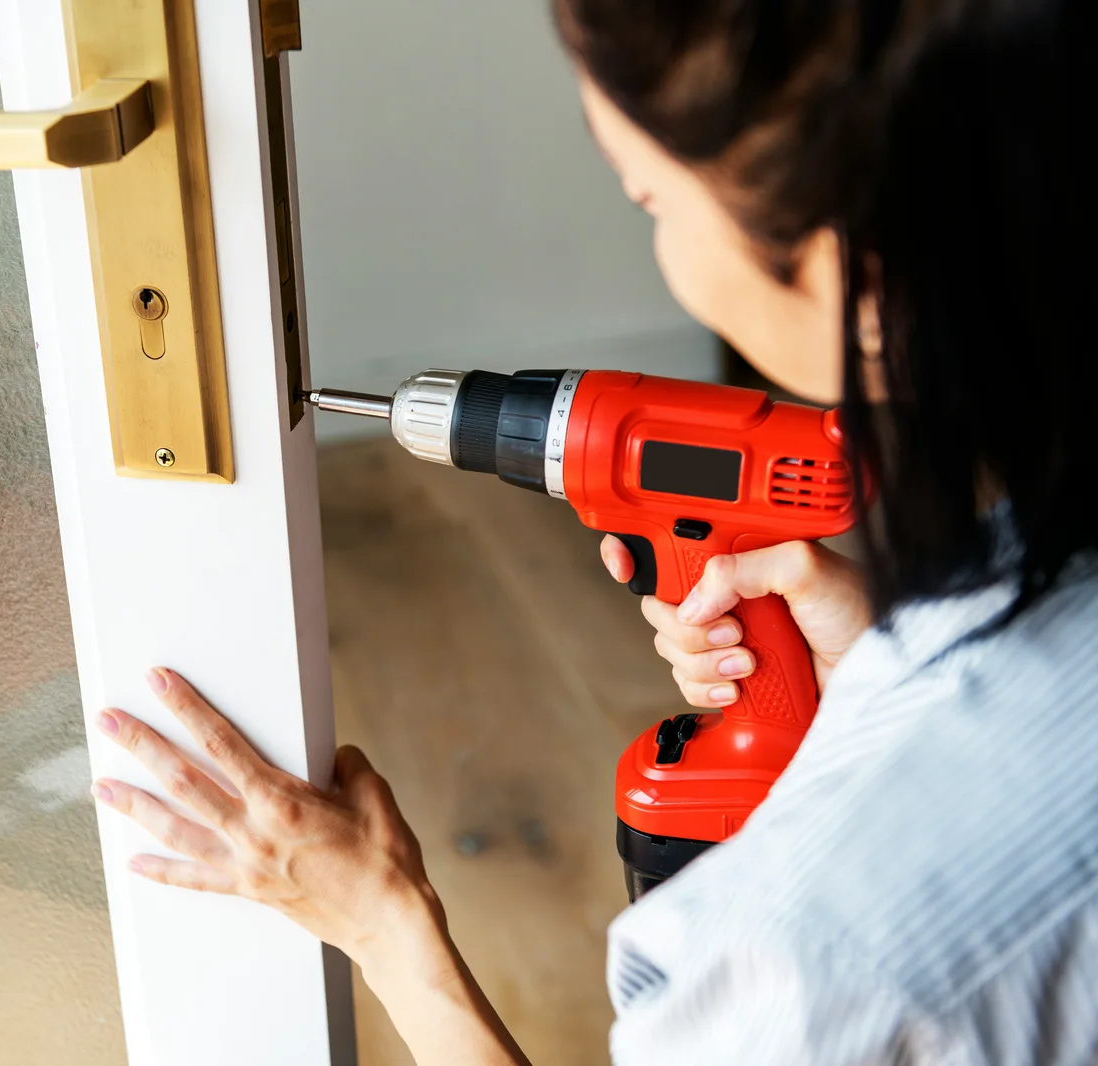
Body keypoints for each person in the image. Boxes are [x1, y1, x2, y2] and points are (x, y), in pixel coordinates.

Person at [87, 0, 1096, 1060]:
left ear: (859, 274)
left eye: (648, 197)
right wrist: (873, 690)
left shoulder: (804, 964)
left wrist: (379, 917)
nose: (654, 231)